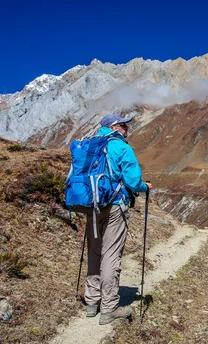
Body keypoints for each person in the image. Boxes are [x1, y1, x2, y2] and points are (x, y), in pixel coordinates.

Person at [84, 113, 152, 325]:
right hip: (114, 206)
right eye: (124, 125)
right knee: (111, 255)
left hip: (92, 206)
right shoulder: (121, 147)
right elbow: (133, 181)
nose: (127, 129)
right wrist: (145, 187)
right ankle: (109, 308)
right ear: (113, 127)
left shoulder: (89, 146)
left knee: (95, 253)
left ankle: (92, 302)